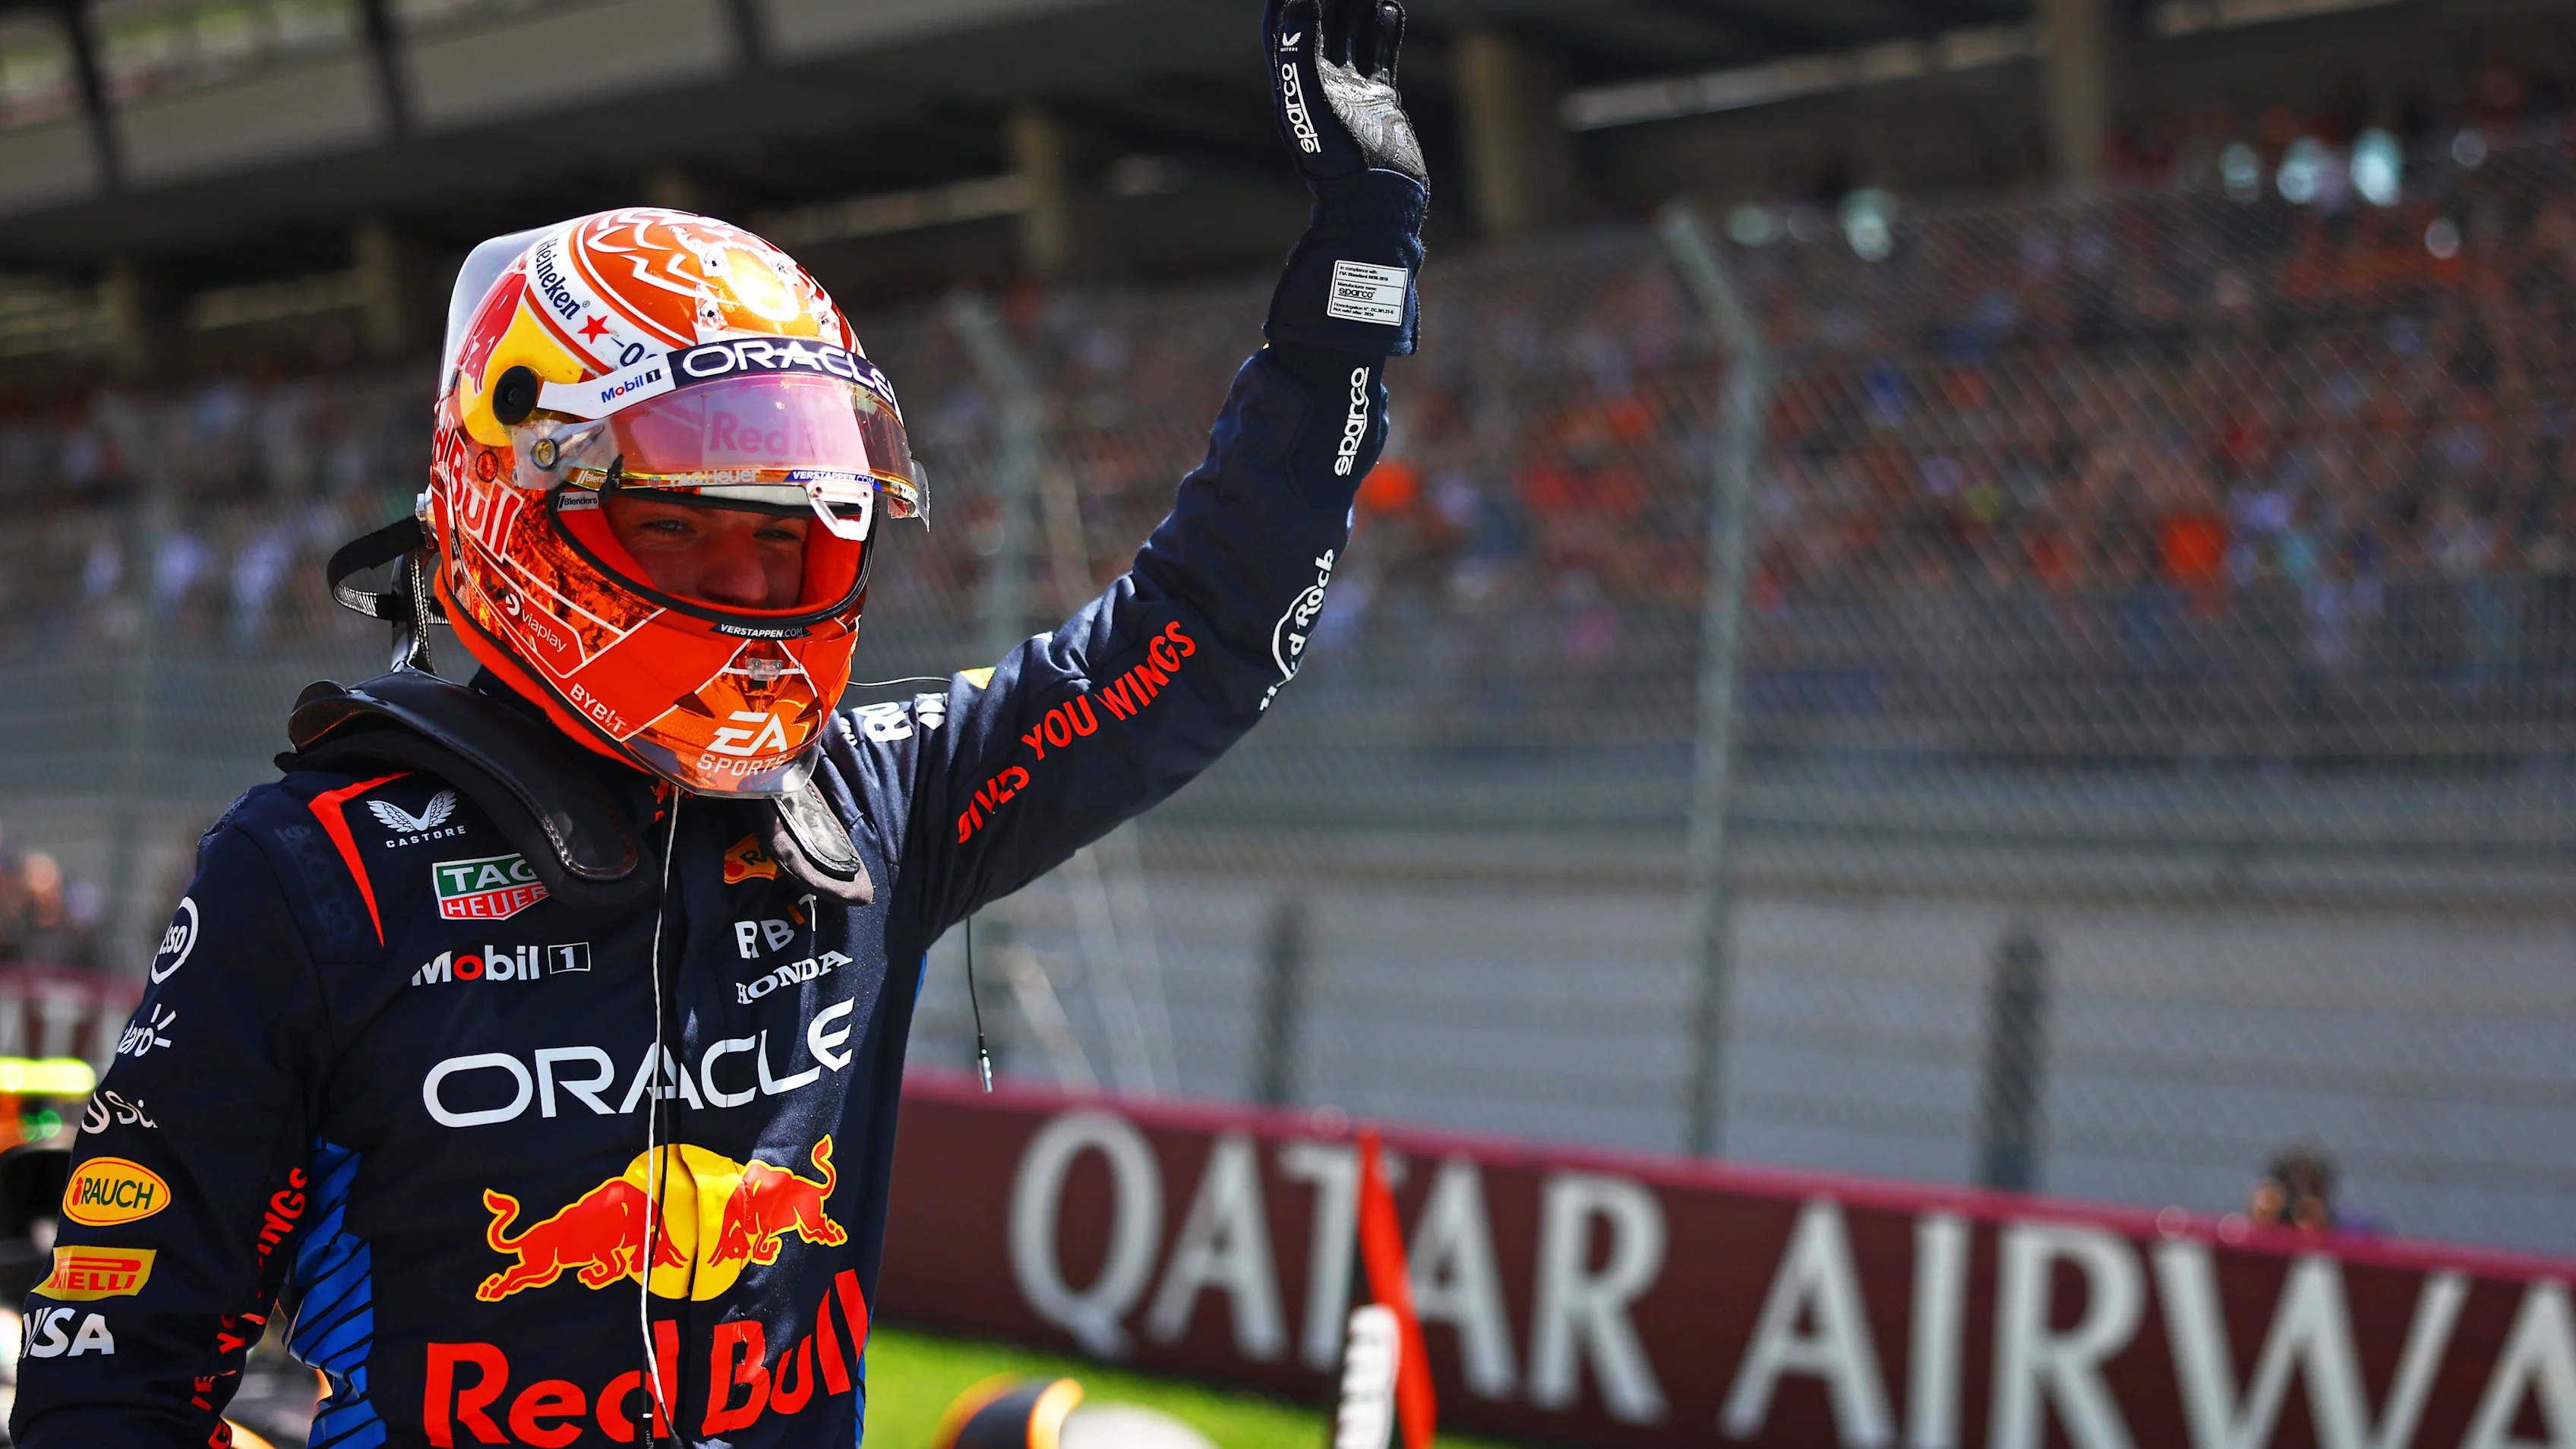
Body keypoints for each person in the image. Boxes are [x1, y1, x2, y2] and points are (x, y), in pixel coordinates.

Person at [10, 2, 1426, 1442]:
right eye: (688, 531)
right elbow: (115, 1385)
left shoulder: (866, 811)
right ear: (518, 500)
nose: (754, 596)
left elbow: (1197, 643)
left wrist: (1358, 275)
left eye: (794, 542)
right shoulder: (315, 874)